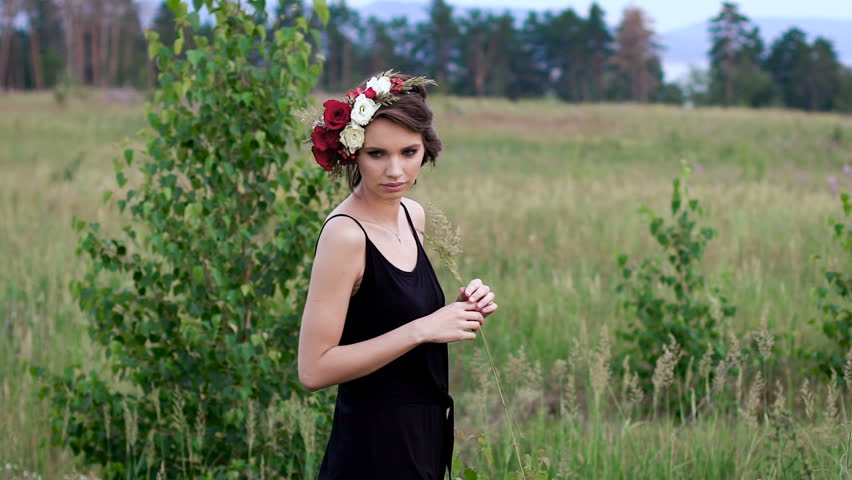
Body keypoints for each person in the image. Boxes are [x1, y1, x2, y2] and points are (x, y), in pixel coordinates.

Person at [297, 71, 498, 479]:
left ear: (426, 149)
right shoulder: (345, 235)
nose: (395, 170)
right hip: (371, 449)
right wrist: (422, 329)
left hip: (422, 437)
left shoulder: (412, 215)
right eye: (377, 154)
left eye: (409, 152)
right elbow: (313, 370)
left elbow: (389, 314)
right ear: (353, 153)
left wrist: (460, 312)